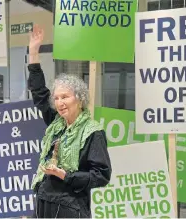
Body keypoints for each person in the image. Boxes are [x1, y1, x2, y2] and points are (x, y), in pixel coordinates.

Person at [28, 25, 112, 218]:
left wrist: (65, 175)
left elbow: (101, 175)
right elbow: (40, 93)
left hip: (70, 208)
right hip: (43, 201)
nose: (59, 103)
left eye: (65, 97)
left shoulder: (92, 132)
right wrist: (33, 52)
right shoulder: (56, 123)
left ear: (80, 99)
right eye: (56, 98)